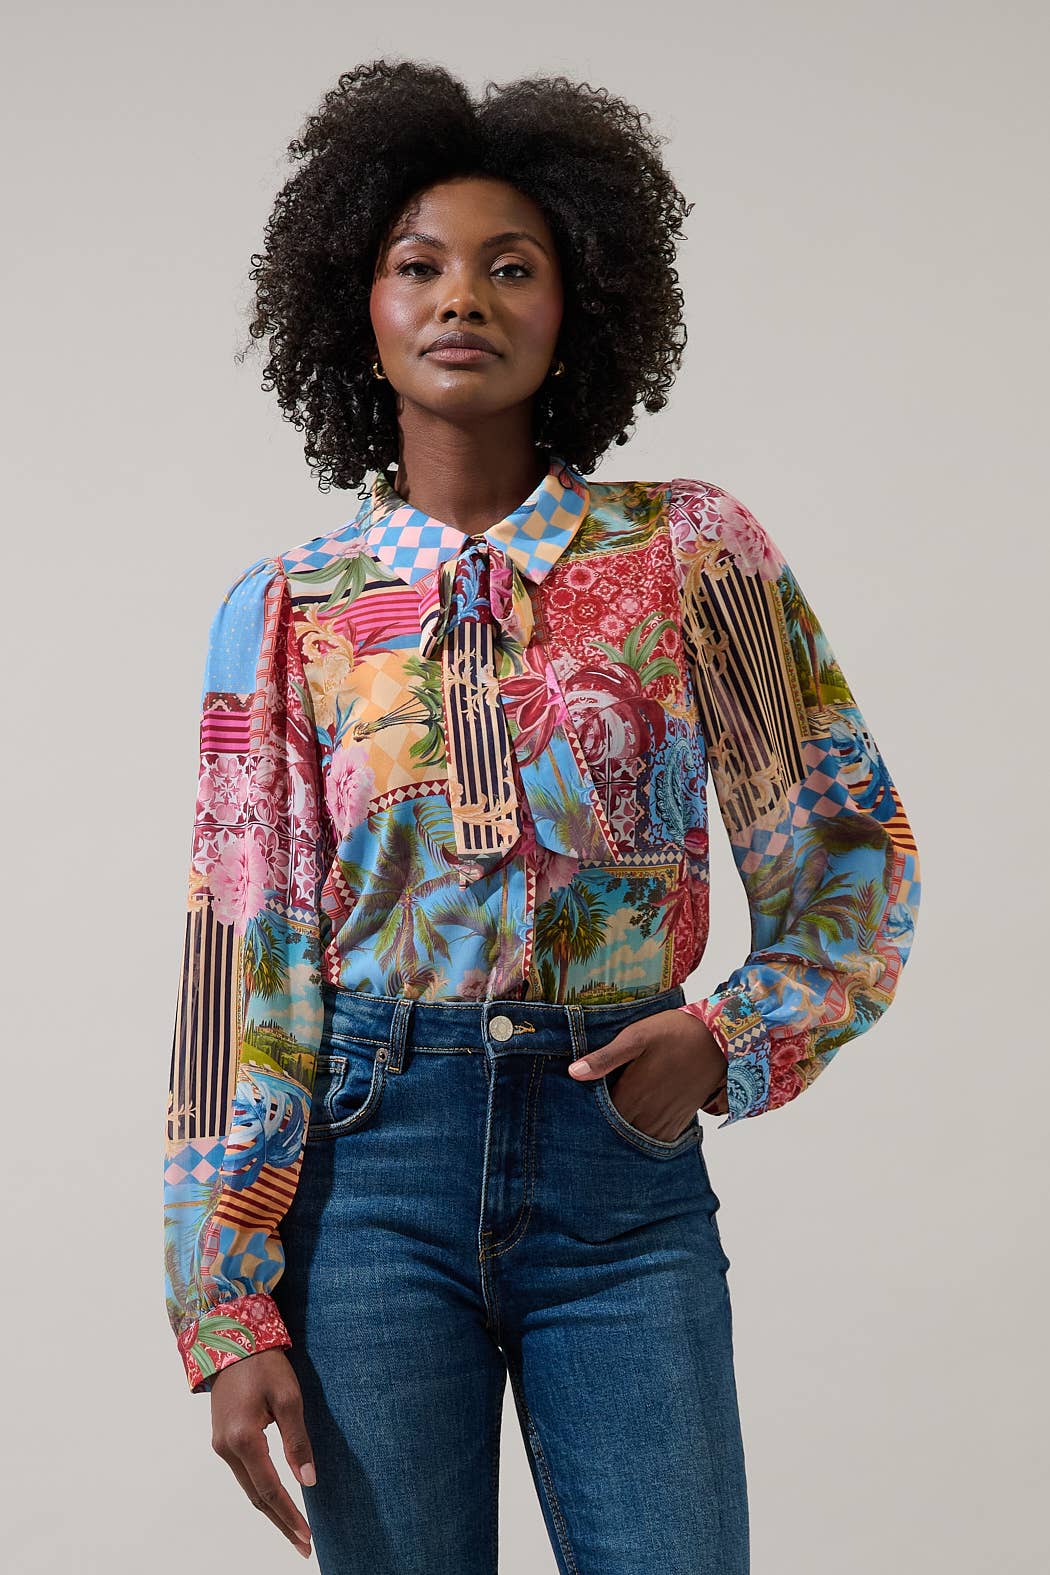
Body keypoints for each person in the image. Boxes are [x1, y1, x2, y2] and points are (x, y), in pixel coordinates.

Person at [162, 59, 922, 1575]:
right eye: (417, 266)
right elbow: (236, 963)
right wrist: (220, 1300)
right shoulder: (289, 613)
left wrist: (730, 1034)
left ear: (579, 305)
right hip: (368, 1183)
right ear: (354, 309)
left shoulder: (692, 558)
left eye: (514, 267)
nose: (463, 299)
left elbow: (846, 855)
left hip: (616, 1176)